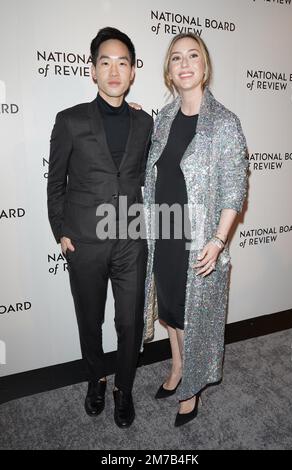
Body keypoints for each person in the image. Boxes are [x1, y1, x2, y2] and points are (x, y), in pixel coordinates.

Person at [47, 27, 153, 428]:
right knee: (89, 319)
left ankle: (123, 387)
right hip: (85, 241)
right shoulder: (69, 121)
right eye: (105, 62)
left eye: (122, 62)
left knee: (129, 321)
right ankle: (96, 379)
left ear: (132, 72)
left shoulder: (146, 123)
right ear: (92, 70)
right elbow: (55, 182)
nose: (114, 70)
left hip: (130, 239)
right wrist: (61, 230)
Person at [143, 33, 249, 426]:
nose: (184, 64)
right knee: (171, 312)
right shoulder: (164, 118)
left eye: (192, 56)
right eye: (176, 59)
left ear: (204, 67)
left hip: (200, 239)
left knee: (192, 315)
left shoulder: (224, 123)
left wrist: (219, 240)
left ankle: (191, 388)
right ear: (169, 72)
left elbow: (234, 187)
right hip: (165, 233)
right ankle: (176, 368)